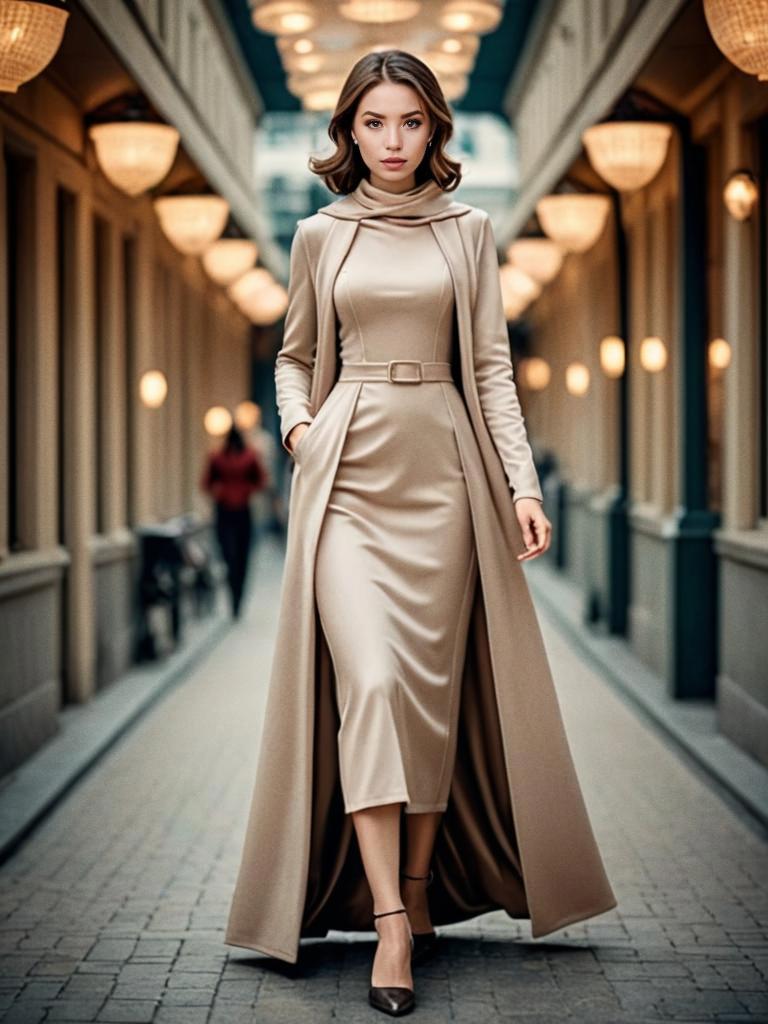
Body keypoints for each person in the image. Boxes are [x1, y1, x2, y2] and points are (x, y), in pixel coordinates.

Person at [224, 50, 617, 1017]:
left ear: (434, 128)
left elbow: (490, 369)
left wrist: (521, 484)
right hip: (346, 476)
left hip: (445, 476)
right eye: (373, 123)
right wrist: (302, 428)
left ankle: (420, 890)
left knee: (428, 702)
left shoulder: (470, 231)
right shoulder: (321, 234)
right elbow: (294, 357)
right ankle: (391, 925)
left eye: (409, 122)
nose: (392, 141)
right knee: (370, 683)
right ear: (348, 132)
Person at [200, 424, 268, 619]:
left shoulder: (248, 456)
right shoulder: (218, 457)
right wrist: (220, 491)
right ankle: (234, 597)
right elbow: (206, 482)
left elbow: (260, 480)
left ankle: (237, 599)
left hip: (241, 513)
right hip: (226, 512)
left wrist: (244, 489)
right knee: (231, 556)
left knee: (240, 558)